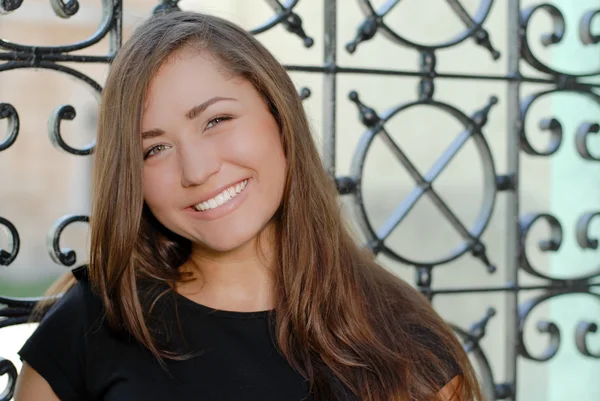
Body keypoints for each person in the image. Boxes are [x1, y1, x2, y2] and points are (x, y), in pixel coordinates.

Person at [14, 10, 482, 401]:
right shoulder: (93, 322)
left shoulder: (404, 338)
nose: (196, 171)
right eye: (153, 149)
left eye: (216, 120)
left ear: (279, 117)